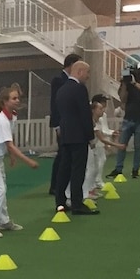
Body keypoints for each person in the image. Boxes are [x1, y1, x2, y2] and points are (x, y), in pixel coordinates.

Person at [0, 87, 39, 238]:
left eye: (18, 98)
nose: (17, 100)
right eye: (13, 98)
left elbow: (10, 139)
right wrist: (28, 161)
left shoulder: (12, 115)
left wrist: (11, 156)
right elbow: (10, 145)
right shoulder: (2, 120)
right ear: (5, 102)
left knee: (2, 189)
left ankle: (3, 221)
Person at [54, 61, 98, 216]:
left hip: (65, 135)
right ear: (79, 72)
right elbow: (85, 115)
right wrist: (90, 137)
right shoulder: (79, 89)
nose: (88, 76)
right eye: (87, 72)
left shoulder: (61, 90)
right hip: (79, 136)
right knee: (78, 170)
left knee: (64, 169)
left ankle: (60, 202)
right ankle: (77, 203)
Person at [108, 61, 140, 179]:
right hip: (128, 119)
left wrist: (134, 83)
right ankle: (118, 168)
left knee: (138, 146)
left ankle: (135, 169)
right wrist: (125, 83)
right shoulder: (130, 83)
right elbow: (122, 98)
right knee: (121, 145)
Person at [49, 53, 82, 195]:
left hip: (72, 124)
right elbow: (55, 104)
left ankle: (62, 185)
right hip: (62, 123)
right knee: (62, 155)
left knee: (65, 155)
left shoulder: (75, 82)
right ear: (71, 65)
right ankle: (55, 185)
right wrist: (57, 125)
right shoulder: (58, 80)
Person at [84, 94, 125, 199]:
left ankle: (91, 190)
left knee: (94, 169)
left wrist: (110, 141)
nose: (103, 110)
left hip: (91, 147)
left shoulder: (97, 121)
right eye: (100, 108)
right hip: (86, 147)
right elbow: (101, 138)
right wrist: (118, 145)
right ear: (93, 110)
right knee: (90, 169)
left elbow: (101, 137)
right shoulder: (91, 122)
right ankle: (86, 192)